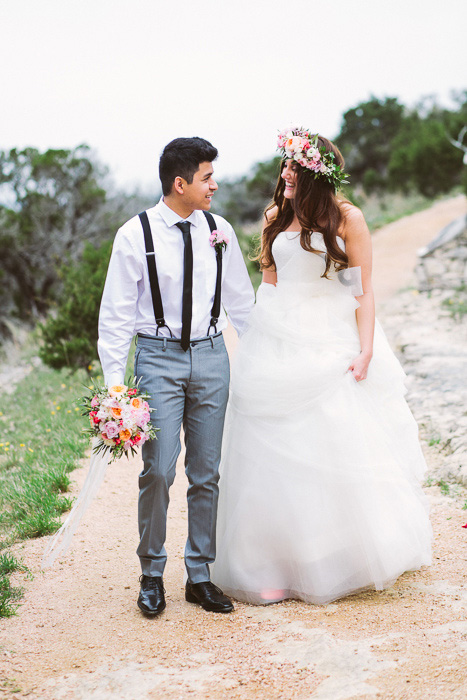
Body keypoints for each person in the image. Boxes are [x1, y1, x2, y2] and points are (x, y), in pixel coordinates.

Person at [211, 128, 432, 605]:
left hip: (329, 336)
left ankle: (341, 558)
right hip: (278, 338)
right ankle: (273, 563)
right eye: (284, 166)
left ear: (315, 174)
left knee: (332, 441)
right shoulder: (274, 216)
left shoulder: (348, 219)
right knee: (269, 454)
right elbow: (267, 287)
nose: (285, 174)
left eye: (294, 167)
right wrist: (255, 347)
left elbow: (362, 290)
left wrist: (365, 348)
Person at [98, 137, 255, 616]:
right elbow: (116, 316)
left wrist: (267, 356)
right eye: (207, 177)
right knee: (159, 470)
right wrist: (115, 387)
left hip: (212, 357)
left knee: (206, 473)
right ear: (179, 183)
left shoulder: (219, 229)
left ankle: (200, 575)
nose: (215, 185)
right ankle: (151, 573)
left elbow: (241, 302)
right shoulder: (134, 234)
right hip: (158, 360)